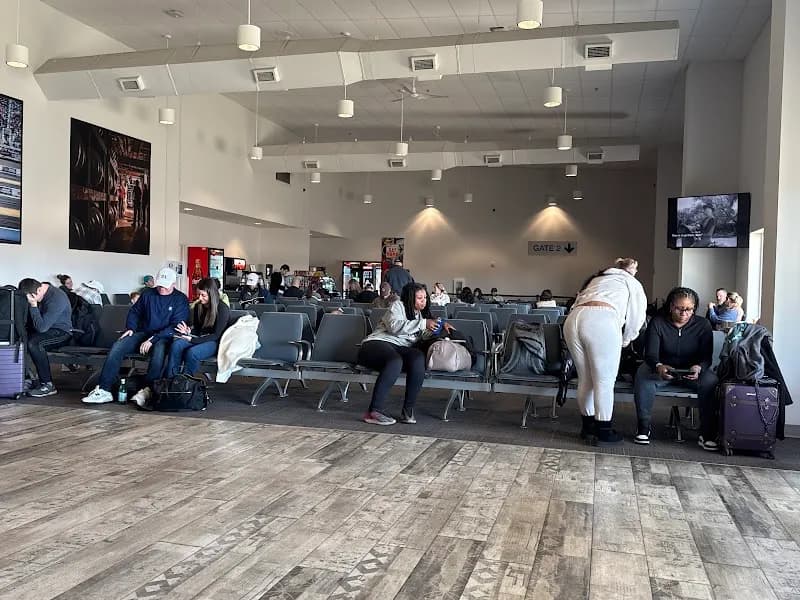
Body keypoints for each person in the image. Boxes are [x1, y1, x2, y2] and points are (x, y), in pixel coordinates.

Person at [563, 258, 648, 446]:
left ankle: (588, 428)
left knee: (585, 379)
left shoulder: (596, 279)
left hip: (574, 319)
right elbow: (637, 316)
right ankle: (604, 431)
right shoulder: (631, 281)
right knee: (604, 381)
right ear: (630, 269)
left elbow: (577, 299)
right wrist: (626, 339)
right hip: (602, 319)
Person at [82, 267, 189, 405]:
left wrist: (153, 339)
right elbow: (135, 312)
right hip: (144, 332)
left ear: (173, 284)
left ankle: (148, 390)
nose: (162, 289)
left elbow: (176, 326)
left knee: (159, 351)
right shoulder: (147, 294)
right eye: (160, 285)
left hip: (164, 336)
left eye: (165, 286)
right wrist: (131, 328)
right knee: (118, 346)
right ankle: (104, 389)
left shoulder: (180, 299)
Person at [633, 286, 718, 449]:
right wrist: (658, 366)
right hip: (662, 369)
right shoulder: (657, 323)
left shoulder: (703, 325)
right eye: (679, 308)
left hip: (691, 372)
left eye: (689, 309)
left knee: (710, 381)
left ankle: (707, 433)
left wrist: (699, 367)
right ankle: (643, 427)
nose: (684, 313)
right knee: (643, 376)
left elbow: (707, 357)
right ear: (671, 306)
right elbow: (650, 355)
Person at [357, 283, 453, 425]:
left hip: (400, 347)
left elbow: (421, 336)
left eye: (425, 297)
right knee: (395, 361)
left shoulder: (420, 315)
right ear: (410, 298)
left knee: (417, 358)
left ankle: (408, 411)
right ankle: (374, 411)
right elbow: (394, 327)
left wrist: (439, 328)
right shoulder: (398, 306)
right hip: (376, 344)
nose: (423, 301)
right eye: (419, 298)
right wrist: (423, 324)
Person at [165, 278, 230, 383]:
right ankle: (171, 381)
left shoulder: (222, 309)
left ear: (212, 294)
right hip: (199, 337)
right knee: (176, 345)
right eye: (199, 294)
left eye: (203, 295)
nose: (200, 298)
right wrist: (188, 331)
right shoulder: (198, 307)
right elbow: (197, 329)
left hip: (214, 341)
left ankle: (185, 383)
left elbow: (216, 335)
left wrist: (191, 339)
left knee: (192, 353)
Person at [17, 278, 74, 398]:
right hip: (45, 331)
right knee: (21, 338)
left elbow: (42, 327)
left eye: (30, 298)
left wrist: (33, 305)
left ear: (38, 291)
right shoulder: (38, 291)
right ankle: (28, 378)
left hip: (62, 332)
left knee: (35, 343)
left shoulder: (56, 299)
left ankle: (47, 384)